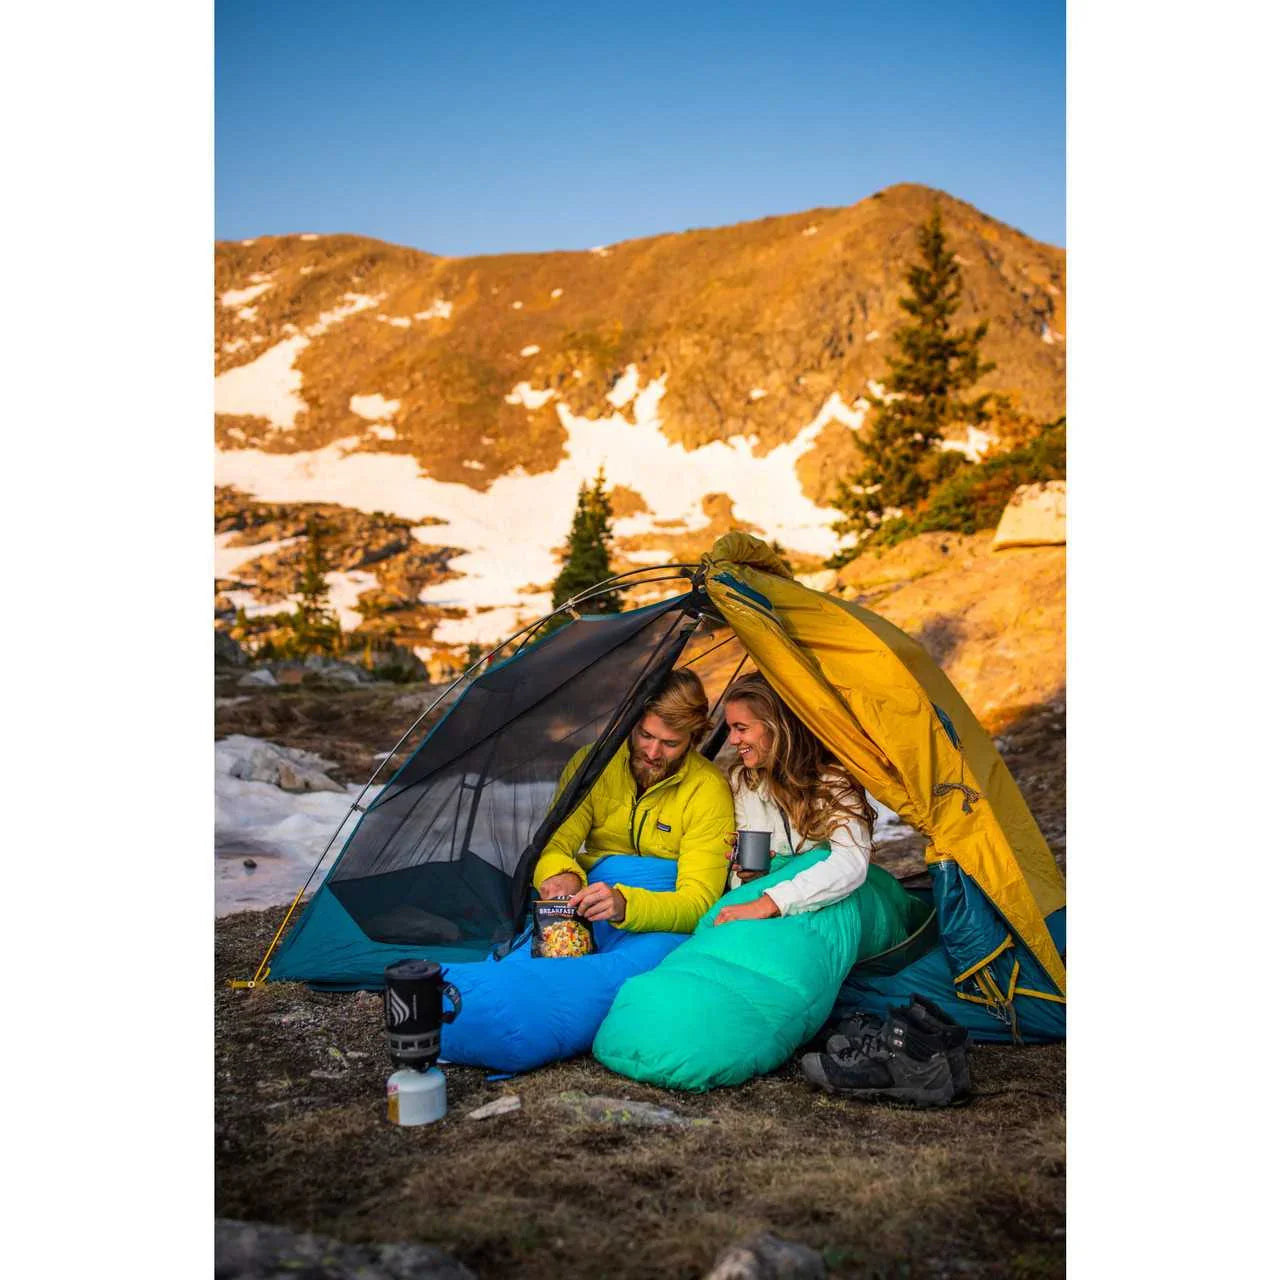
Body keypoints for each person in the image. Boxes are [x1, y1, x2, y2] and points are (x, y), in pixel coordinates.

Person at [532, 668, 735, 934]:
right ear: (631, 723)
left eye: (670, 743)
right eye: (645, 735)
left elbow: (699, 903)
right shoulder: (593, 766)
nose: (653, 753)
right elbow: (553, 844)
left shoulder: (708, 789)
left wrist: (626, 905)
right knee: (537, 953)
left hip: (664, 917)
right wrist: (561, 874)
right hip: (592, 901)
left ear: (693, 739)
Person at [713, 672, 886, 926]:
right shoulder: (745, 783)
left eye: (741, 728)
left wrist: (770, 903)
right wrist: (754, 875)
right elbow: (746, 888)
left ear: (778, 726)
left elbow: (850, 863)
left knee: (815, 860)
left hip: (837, 905)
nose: (732, 740)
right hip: (776, 906)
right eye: (730, 729)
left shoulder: (833, 780)